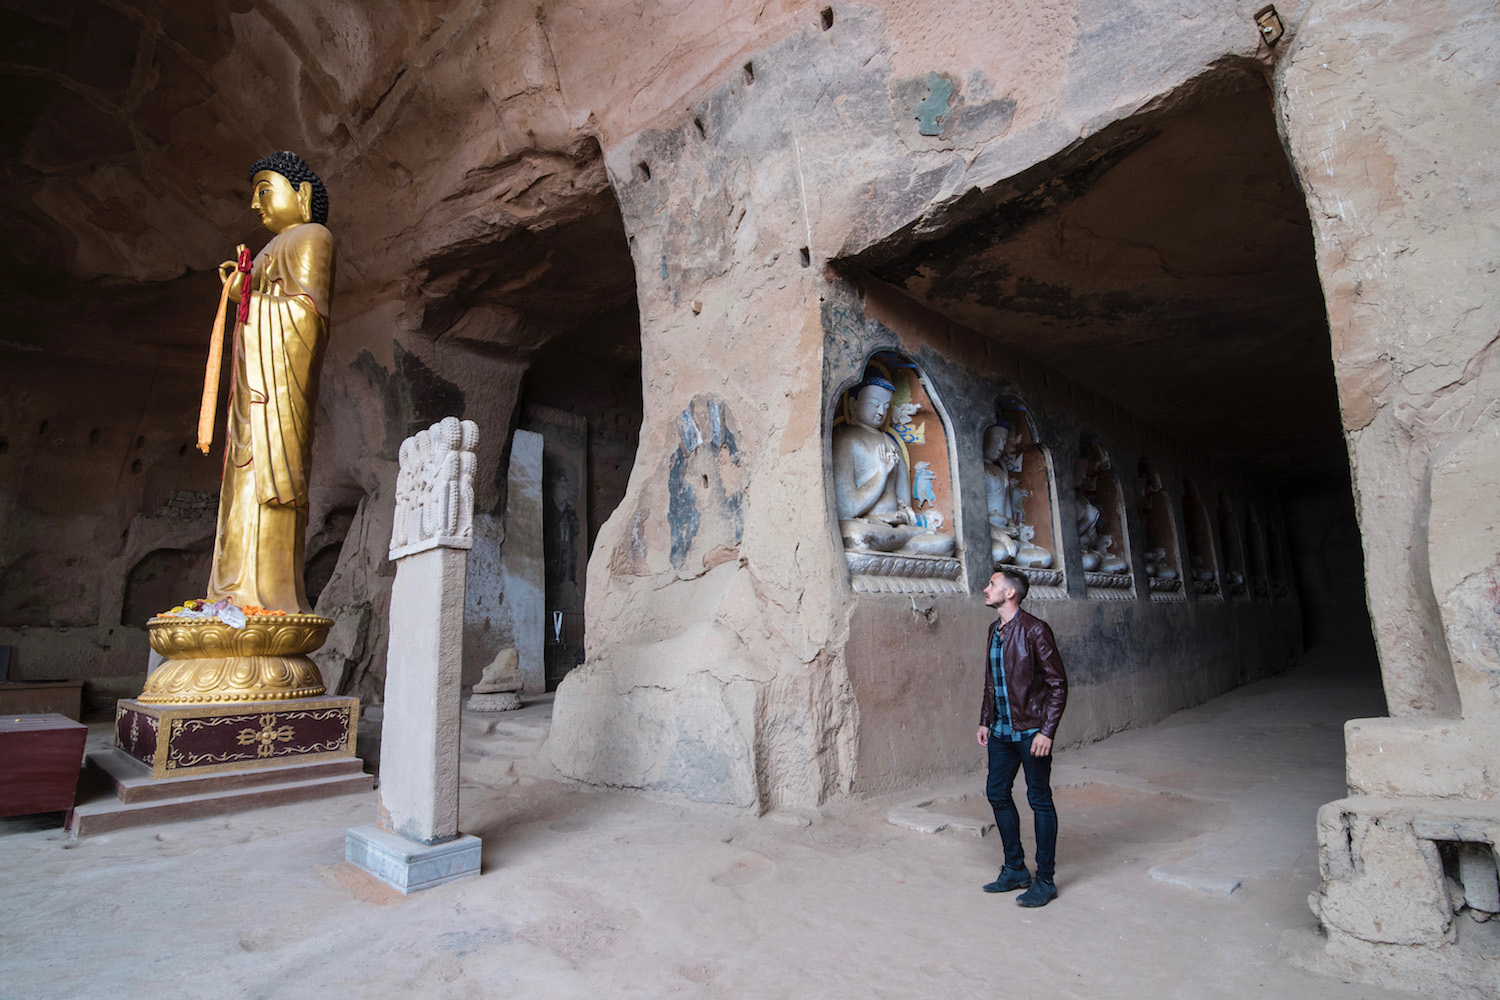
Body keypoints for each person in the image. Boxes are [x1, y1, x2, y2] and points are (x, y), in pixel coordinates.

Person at [207, 151, 335, 613]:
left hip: (276, 403)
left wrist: (253, 303)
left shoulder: (312, 237)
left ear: (300, 195)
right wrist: (247, 292)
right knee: (240, 493)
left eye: (265, 190)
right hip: (250, 402)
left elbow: (308, 319)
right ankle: (230, 598)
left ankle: (270, 601)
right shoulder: (267, 250)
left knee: (270, 493)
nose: (255, 205)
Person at [976, 568, 1068, 907]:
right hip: (1000, 731)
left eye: (992, 585)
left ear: (1010, 593)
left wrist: (1047, 730)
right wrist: (986, 720)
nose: (986, 589)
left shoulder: (1035, 630)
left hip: (1031, 732)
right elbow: (992, 680)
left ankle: (1045, 880)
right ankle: (1015, 868)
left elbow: (1058, 684)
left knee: (1039, 799)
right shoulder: (993, 630)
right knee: (996, 793)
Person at [831, 375, 954, 556]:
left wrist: (901, 516)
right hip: (867, 526)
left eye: (886, 407)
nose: (880, 412)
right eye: (874, 405)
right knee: (860, 537)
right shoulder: (846, 440)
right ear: (853, 404)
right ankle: (903, 544)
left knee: (946, 543)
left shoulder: (892, 445)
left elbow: (905, 505)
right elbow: (847, 508)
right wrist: (881, 474)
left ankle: (900, 543)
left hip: (893, 528)